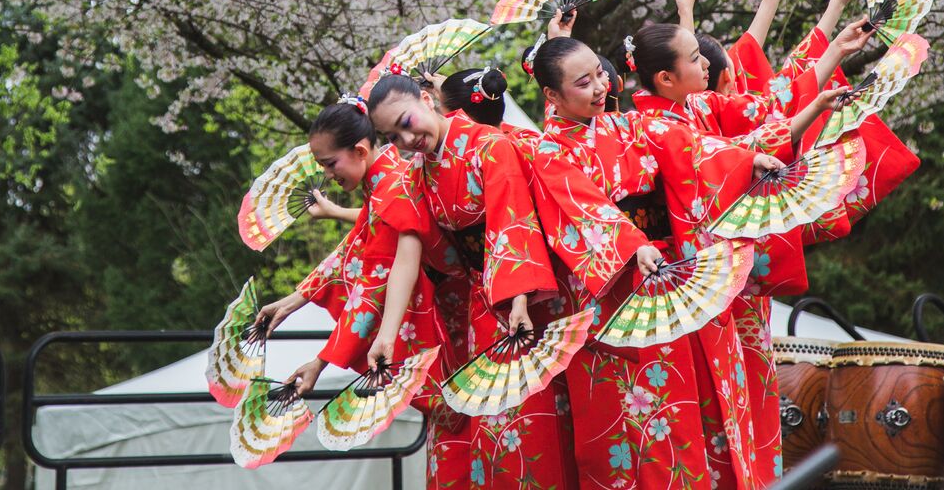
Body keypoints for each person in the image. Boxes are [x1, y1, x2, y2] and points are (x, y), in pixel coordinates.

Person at [522, 24, 784, 489]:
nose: (600, 88)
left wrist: (747, 160)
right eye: (582, 84)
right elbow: (585, 206)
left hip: (664, 277)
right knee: (638, 427)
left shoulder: (628, 124)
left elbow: (692, 149)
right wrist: (631, 243)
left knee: (686, 410)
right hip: (614, 294)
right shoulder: (549, 151)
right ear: (552, 95)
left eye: (599, 76)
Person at [627, 19, 868, 487]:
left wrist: (834, 52)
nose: (709, 64)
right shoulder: (652, 125)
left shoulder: (693, 105)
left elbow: (767, 107)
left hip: (720, 279)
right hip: (686, 282)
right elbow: (719, 154)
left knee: (745, 398)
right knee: (705, 413)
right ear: (665, 79)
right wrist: (746, 158)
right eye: (695, 58)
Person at [366, 71, 578, 490]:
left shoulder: (488, 144)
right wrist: (387, 335)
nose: (405, 141)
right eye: (392, 137)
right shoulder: (419, 174)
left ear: (427, 100)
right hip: (483, 304)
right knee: (496, 436)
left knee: (535, 428)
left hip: (529, 304)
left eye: (405, 124)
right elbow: (407, 255)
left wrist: (518, 299)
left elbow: (511, 220)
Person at [253, 97, 469, 487]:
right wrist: (291, 303)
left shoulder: (391, 188)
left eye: (330, 164)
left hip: (456, 320)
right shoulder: (385, 181)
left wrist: (321, 362)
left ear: (359, 150)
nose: (327, 174)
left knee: (459, 439)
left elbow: (373, 285)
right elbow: (351, 254)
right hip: (455, 315)